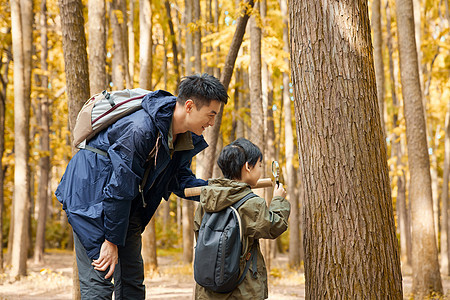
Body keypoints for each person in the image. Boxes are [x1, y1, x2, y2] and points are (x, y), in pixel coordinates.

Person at [55, 73, 228, 299]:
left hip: (127, 205)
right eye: (210, 115)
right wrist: (111, 240)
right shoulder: (140, 129)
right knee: (100, 285)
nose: (212, 123)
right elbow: (119, 187)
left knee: (132, 283)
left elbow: (181, 181)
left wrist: (224, 191)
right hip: (91, 197)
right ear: (189, 106)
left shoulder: (183, 136)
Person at [193, 138, 290, 300]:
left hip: (207, 288)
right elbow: (274, 226)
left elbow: (199, 232)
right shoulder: (251, 203)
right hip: (241, 290)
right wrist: (278, 200)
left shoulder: (207, 198)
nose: (260, 170)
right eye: (259, 165)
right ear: (247, 167)